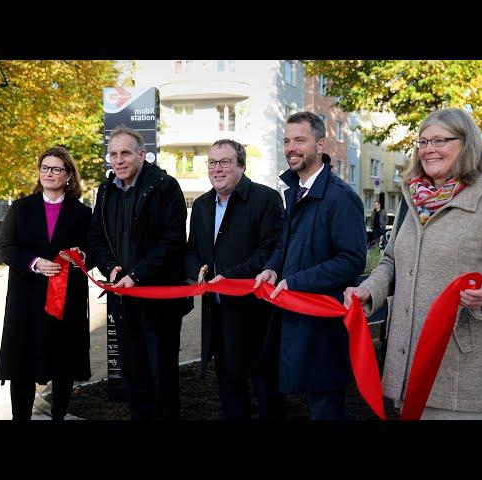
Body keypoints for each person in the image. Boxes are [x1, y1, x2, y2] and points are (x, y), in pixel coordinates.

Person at [343, 108, 482, 420]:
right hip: (410, 363)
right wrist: (370, 291)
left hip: (465, 372)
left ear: (466, 143)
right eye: (422, 142)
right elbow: (392, 260)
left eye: (439, 140)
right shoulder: (414, 197)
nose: (428, 149)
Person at [254, 111, 367, 420]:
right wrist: (273, 269)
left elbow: (352, 260)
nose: (291, 148)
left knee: (325, 408)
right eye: (287, 141)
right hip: (292, 315)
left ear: (320, 144)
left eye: (299, 140)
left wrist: (296, 282)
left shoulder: (341, 198)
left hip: (323, 322)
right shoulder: (295, 191)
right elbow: (284, 245)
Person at [87, 125, 192, 420]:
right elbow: (95, 236)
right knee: (133, 374)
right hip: (123, 300)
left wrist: (136, 275)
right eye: (113, 154)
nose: (118, 160)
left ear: (142, 154)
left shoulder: (164, 186)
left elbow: (172, 241)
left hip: (158, 302)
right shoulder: (107, 189)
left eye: (125, 153)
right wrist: (111, 267)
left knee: (162, 376)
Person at [186, 139, 285, 420]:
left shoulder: (265, 199)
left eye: (225, 162)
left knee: (266, 388)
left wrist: (228, 277)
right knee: (229, 388)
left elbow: (270, 250)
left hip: (255, 313)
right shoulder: (203, 205)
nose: (217, 169)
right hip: (217, 312)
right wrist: (199, 273)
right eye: (212, 163)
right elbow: (192, 248)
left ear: (241, 166)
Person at [0, 146, 93, 421]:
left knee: (64, 363)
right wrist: (34, 263)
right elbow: (4, 247)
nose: (49, 174)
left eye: (56, 169)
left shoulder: (82, 213)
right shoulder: (21, 208)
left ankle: (59, 416)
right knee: (23, 362)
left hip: (67, 301)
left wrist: (81, 257)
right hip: (27, 298)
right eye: (45, 168)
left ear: (69, 176)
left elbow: (93, 247)